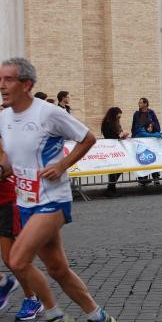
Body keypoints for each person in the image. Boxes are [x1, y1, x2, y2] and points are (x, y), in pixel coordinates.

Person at [0, 57, 117, 322]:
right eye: (0, 80)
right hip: (26, 201)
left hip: (53, 199)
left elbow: (87, 138)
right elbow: (11, 160)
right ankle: (97, 315)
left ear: (26, 84)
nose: (2, 86)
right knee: (57, 269)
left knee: (17, 260)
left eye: (8, 80)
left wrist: (63, 165)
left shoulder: (48, 113)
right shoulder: (4, 117)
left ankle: (53, 314)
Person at [0, 145, 43, 320]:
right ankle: (4, 282)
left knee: (12, 258)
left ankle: (32, 298)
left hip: (7, 201)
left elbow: (7, 161)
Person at [100, 107, 130, 197]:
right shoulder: (108, 122)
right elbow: (111, 134)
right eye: (118, 117)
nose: (119, 119)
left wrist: (122, 135)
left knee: (118, 168)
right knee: (114, 168)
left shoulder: (114, 122)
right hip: (111, 147)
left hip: (115, 147)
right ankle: (111, 188)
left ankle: (111, 187)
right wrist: (120, 135)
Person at [131, 98, 161, 185]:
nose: (139, 104)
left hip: (151, 139)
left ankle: (156, 177)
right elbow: (135, 126)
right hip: (140, 139)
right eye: (139, 102)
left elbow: (156, 123)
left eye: (140, 102)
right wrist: (134, 135)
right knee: (142, 158)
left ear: (146, 104)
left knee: (152, 158)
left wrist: (154, 127)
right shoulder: (137, 114)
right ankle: (142, 179)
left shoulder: (151, 112)